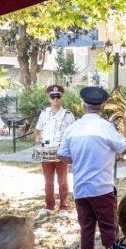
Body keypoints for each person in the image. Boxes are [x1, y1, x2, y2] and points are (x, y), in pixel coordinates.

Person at [56, 87, 126, 249]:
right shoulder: (105, 127)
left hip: (81, 189)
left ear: (84, 106)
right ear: (103, 107)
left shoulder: (73, 128)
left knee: (86, 232)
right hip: (102, 188)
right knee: (109, 230)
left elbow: (62, 155)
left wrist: (81, 158)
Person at [35, 85, 76, 218]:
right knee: (48, 181)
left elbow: (73, 133)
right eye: (53, 97)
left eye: (58, 97)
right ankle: (49, 207)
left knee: (62, 181)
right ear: (49, 99)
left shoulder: (68, 115)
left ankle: (63, 207)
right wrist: (37, 137)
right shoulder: (43, 114)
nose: (55, 99)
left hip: (61, 151)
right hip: (46, 151)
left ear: (61, 98)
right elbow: (38, 129)